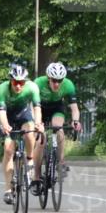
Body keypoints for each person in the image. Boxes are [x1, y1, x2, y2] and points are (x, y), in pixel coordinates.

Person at [32, 62, 82, 191]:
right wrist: (37, 123)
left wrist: (75, 121)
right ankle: (36, 177)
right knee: (40, 140)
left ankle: (61, 162)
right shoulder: (38, 83)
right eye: (54, 80)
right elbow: (30, 104)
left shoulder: (68, 85)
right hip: (39, 108)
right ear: (48, 78)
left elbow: (75, 109)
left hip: (56, 109)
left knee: (58, 129)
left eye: (59, 81)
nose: (57, 84)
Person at [0, 62, 42, 205]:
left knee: (30, 131)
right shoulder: (2, 89)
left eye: (21, 83)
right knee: (8, 150)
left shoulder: (32, 87)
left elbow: (36, 108)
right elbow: (1, 112)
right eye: (16, 82)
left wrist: (38, 124)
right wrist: (5, 125)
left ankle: (29, 158)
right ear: (11, 80)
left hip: (23, 114)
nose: (18, 86)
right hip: (8, 117)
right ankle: (8, 189)